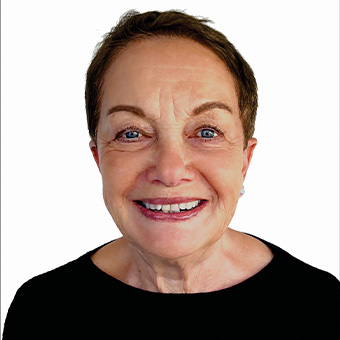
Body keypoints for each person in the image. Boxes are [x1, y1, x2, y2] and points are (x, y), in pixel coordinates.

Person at [3, 10, 339, 339]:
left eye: (207, 132)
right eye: (131, 133)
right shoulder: (42, 312)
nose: (169, 171)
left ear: (244, 160)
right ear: (99, 159)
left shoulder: (323, 307)